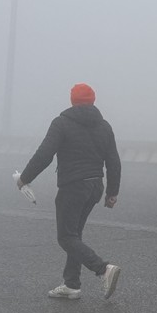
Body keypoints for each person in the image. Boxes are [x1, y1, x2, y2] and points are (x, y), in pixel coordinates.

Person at [17, 83, 122, 300]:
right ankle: (71, 284)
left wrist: (24, 178)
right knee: (75, 234)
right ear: (93, 101)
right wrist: (112, 192)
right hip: (95, 186)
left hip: (73, 186)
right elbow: (113, 161)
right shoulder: (104, 126)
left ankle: (103, 269)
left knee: (66, 237)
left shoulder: (62, 123)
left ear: (72, 101)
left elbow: (44, 155)